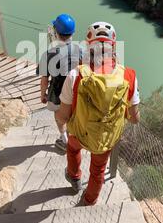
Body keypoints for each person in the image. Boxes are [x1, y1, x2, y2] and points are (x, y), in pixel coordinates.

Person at [56, 22, 140, 206]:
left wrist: (63, 126)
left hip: (80, 132)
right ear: (114, 46)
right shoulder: (129, 76)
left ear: (88, 46)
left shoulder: (75, 75)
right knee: (98, 169)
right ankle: (89, 200)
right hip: (106, 138)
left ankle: (74, 177)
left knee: (72, 148)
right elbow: (134, 118)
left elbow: (62, 115)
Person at [37, 14, 80, 152]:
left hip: (57, 94)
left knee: (59, 116)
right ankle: (72, 137)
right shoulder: (80, 50)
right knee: (73, 115)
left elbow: (44, 79)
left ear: (56, 32)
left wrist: (43, 95)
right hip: (76, 92)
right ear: (73, 32)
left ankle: (64, 138)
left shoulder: (49, 54)